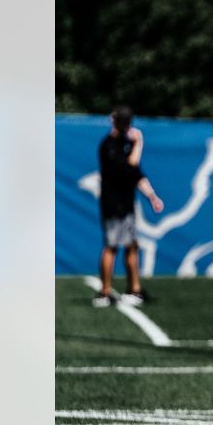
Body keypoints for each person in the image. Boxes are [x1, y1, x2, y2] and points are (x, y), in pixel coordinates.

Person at [93, 105, 164, 307]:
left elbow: (137, 175)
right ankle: (105, 292)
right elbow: (129, 166)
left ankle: (135, 289)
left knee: (132, 246)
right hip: (113, 205)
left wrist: (152, 196)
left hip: (127, 204)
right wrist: (139, 143)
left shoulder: (126, 144)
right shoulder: (109, 146)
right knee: (111, 247)